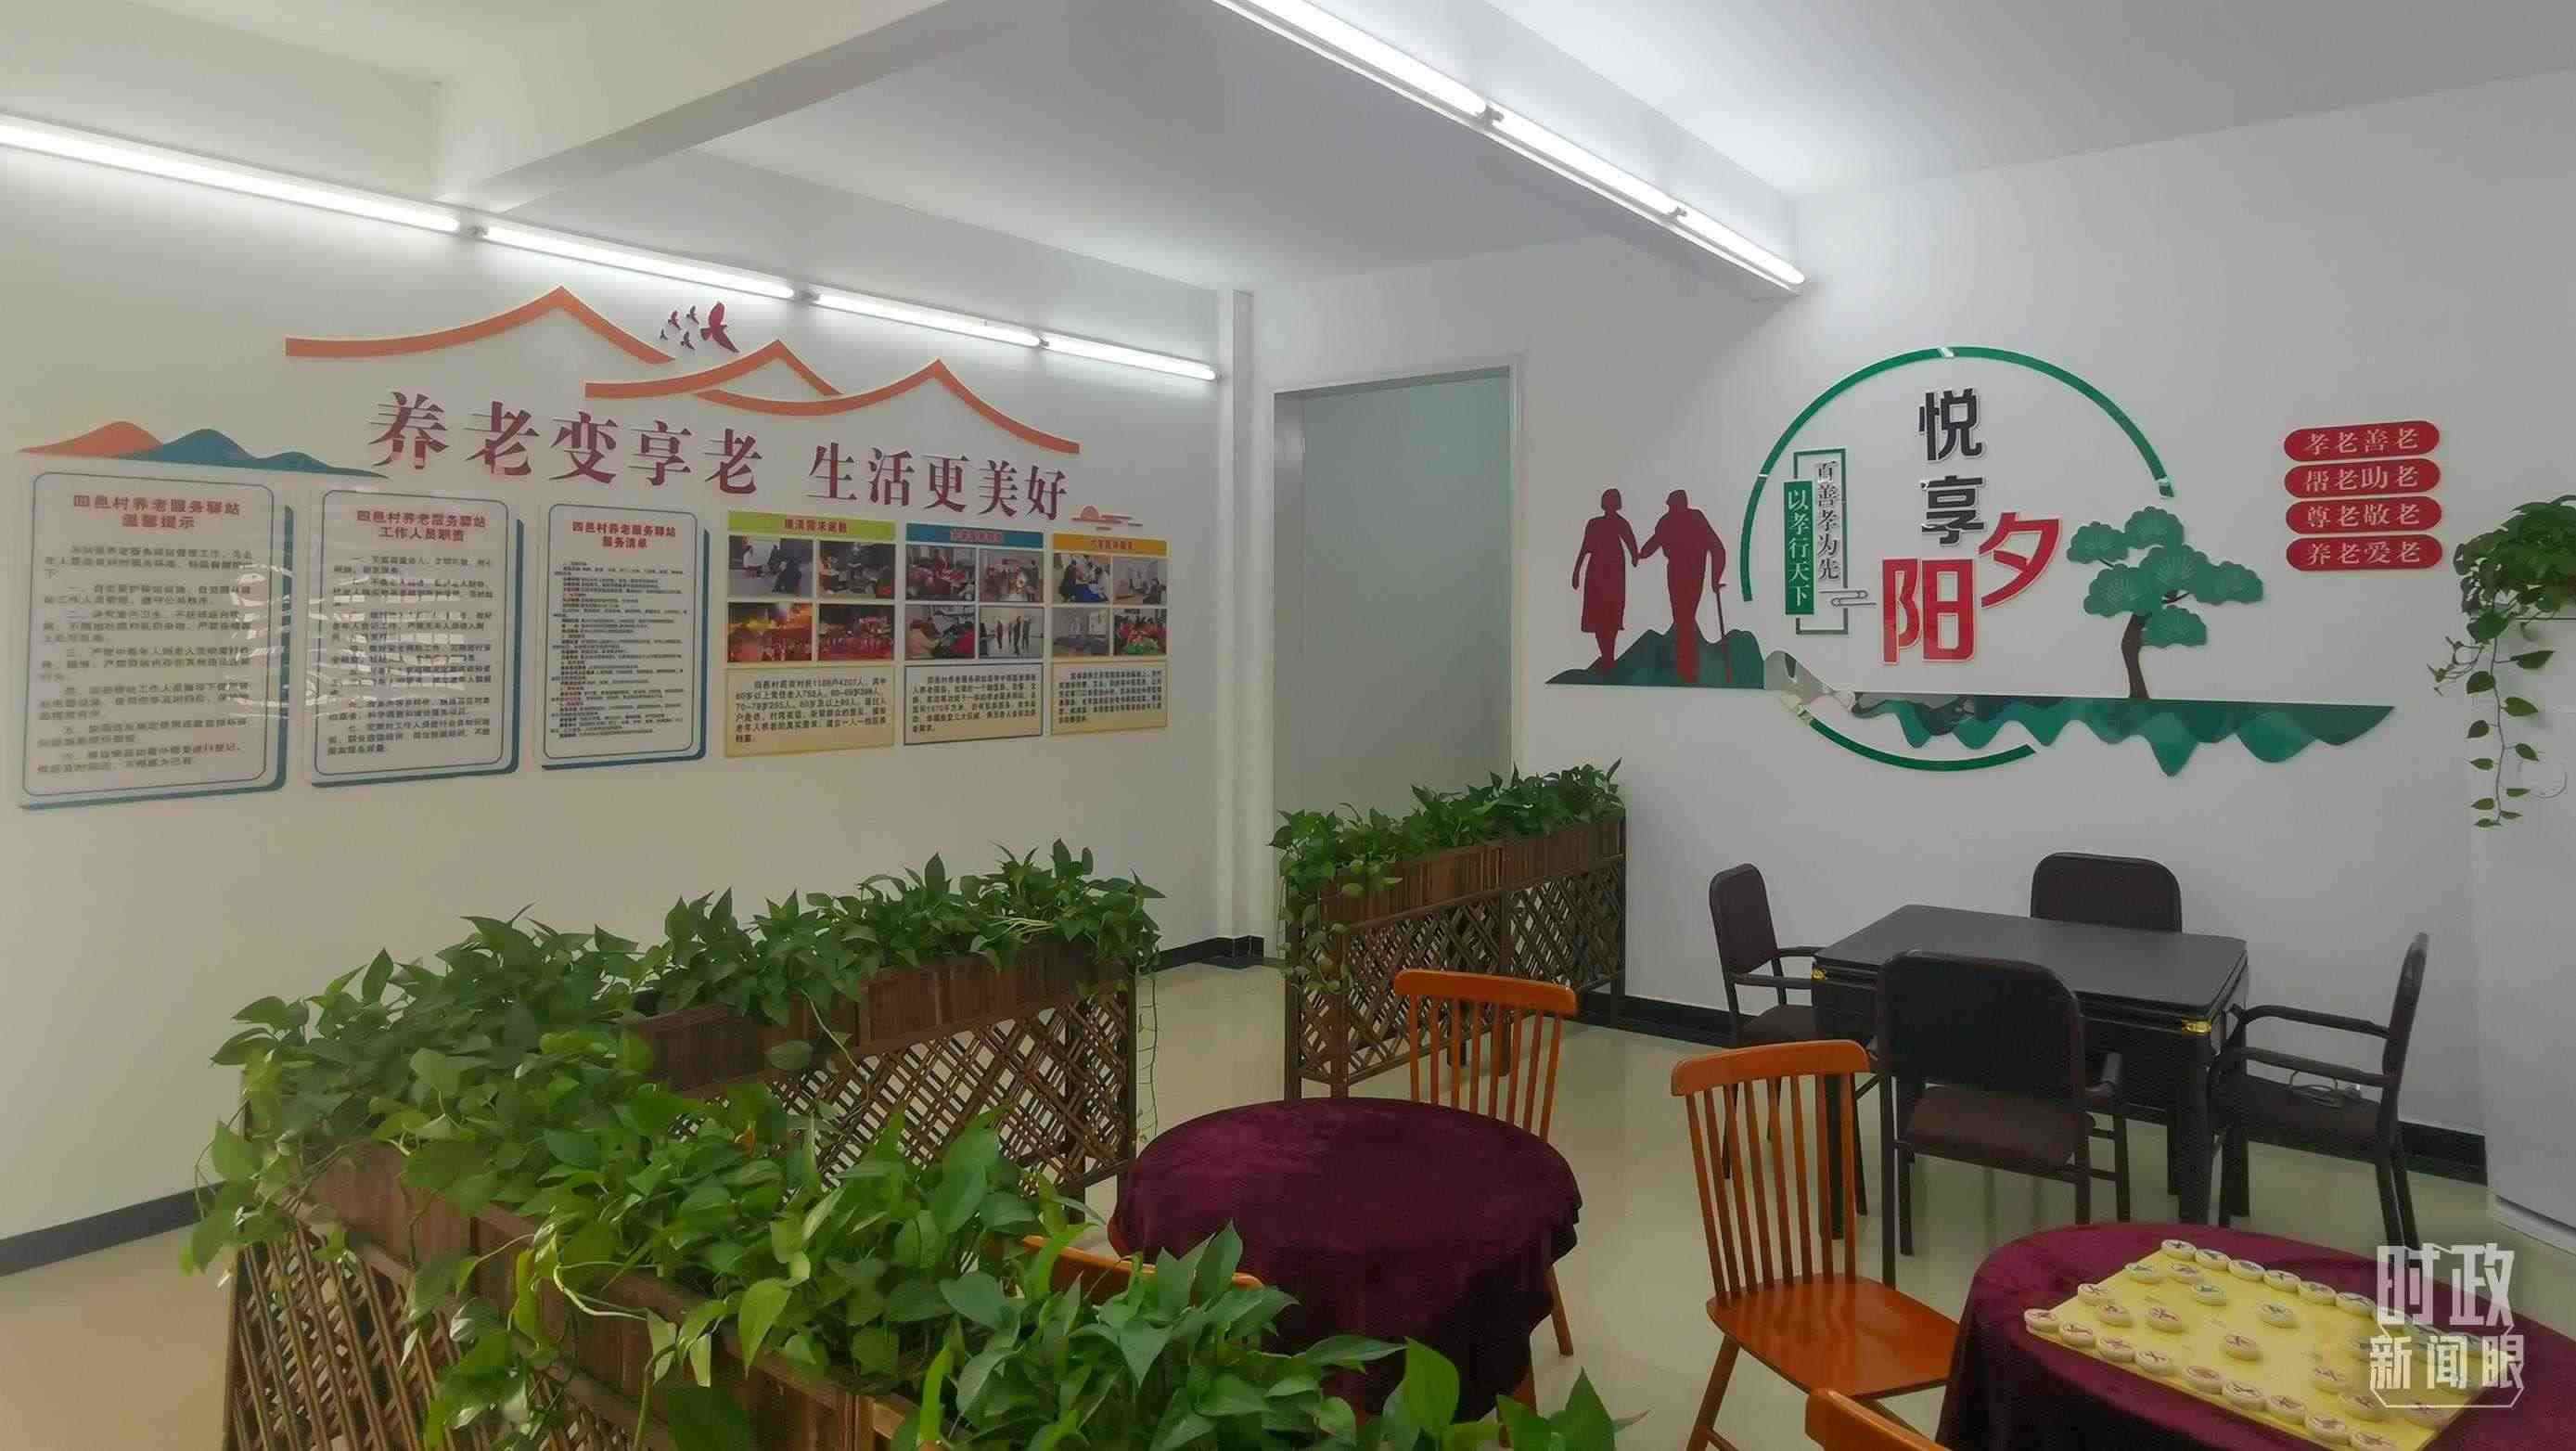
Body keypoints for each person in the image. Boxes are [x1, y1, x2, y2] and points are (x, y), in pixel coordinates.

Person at [1637, 489, 1728, 684]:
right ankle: (1686, 668)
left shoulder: (1691, 518)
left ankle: (1687, 669)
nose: (1671, 508)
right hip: (1680, 574)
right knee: (1683, 619)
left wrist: (1715, 577)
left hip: (1689, 574)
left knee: (1684, 619)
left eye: (1672, 505)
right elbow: (1653, 544)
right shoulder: (1669, 521)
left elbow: (1716, 547)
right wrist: (1640, 554)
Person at [1570, 488, 1640, 671]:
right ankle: (1607, 656)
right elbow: (1585, 548)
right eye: (1609, 500)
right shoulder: (1594, 524)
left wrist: (1635, 556)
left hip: (1614, 572)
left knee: (1612, 614)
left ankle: (1609, 657)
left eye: (1613, 500)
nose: (1611, 504)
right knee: (1598, 615)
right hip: (1596, 572)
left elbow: (1631, 542)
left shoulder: (1620, 522)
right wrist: (1576, 571)